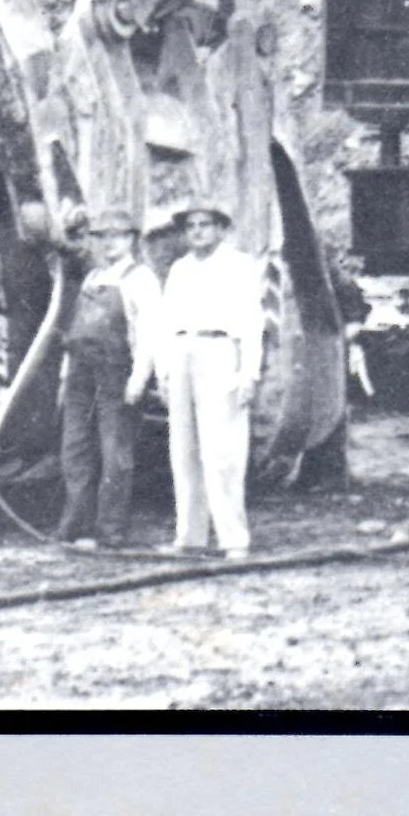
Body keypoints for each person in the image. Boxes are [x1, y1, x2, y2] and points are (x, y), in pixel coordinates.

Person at [160, 199, 265, 559]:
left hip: (221, 351)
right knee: (183, 450)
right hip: (182, 351)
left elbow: (252, 322)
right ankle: (190, 536)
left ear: (221, 228)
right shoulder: (179, 270)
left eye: (205, 224)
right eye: (190, 227)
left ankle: (233, 538)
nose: (197, 232)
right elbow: (166, 322)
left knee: (222, 451)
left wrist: (249, 372)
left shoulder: (240, 266)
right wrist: (164, 369)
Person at [53, 210, 163, 551]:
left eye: (117, 235)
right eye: (102, 236)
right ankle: (76, 525)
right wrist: (63, 377)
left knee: (114, 453)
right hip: (80, 375)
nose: (109, 242)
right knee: (75, 449)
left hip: (117, 374)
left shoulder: (141, 279)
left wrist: (138, 378)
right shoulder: (93, 278)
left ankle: (110, 530)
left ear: (131, 238)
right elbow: (76, 332)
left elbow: (150, 335)